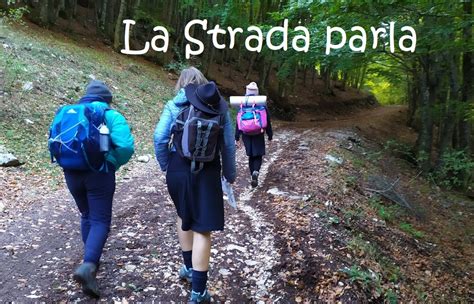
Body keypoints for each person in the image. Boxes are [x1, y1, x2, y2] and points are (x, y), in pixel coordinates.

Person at [154, 67, 236, 303]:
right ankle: (198, 292)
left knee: (183, 214)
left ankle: (188, 267)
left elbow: (160, 138)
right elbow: (228, 147)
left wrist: (166, 165)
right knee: (203, 228)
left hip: (177, 169)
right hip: (208, 171)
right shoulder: (219, 108)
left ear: (183, 85)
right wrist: (229, 174)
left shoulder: (174, 105)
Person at [64, 80, 135, 298]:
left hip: (71, 172)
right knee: (100, 220)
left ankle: (90, 262)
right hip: (99, 174)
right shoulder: (110, 115)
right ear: (107, 100)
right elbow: (125, 146)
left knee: (87, 214)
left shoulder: (70, 113)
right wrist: (111, 162)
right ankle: (89, 265)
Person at [235, 82, 273, 187]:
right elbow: (267, 120)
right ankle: (256, 172)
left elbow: (238, 121)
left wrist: (236, 136)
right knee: (258, 154)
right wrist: (270, 134)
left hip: (246, 133)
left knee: (250, 155)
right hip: (258, 132)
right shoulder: (260, 103)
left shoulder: (242, 104)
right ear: (256, 92)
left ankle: (252, 174)